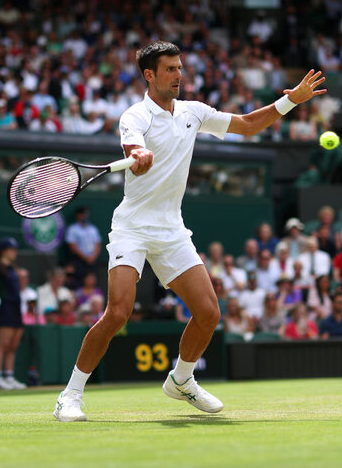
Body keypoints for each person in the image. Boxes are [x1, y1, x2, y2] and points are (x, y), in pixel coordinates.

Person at [53, 41, 327, 421]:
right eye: (169, 69)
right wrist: (137, 156)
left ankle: (181, 380)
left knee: (209, 312)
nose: (178, 75)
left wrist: (291, 101)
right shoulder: (135, 116)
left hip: (172, 230)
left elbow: (247, 125)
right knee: (118, 313)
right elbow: (134, 149)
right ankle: (70, 395)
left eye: (179, 68)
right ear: (149, 75)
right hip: (132, 227)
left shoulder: (194, 113)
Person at [0, 238, 26, 390]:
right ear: (4, 251)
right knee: (2, 344)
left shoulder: (13, 268)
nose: (15, 252)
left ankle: (9, 376)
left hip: (16, 309)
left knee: (13, 345)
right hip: (5, 309)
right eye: (12, 249)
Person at [65, 206, 102, 285]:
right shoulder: (73, 229)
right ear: (77, 215)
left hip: (92, 261)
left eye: (86, 214)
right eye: (82, 214)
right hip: (79, 261)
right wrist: (85, 257)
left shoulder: (93, 229)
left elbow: (98, 244)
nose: (85, 216)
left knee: (92, 282)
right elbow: (72, 246)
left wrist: (93, 257)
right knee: (78, 282)